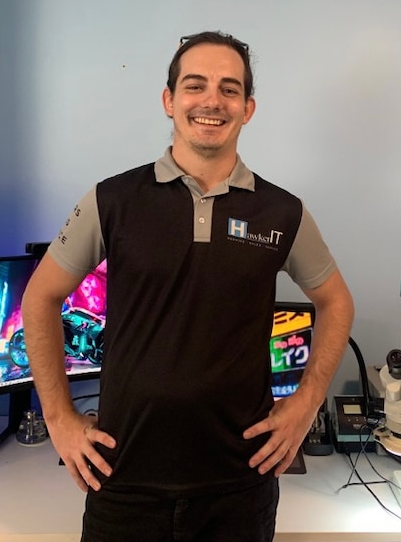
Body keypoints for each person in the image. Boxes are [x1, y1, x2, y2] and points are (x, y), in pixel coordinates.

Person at [21, 30, 355, 542]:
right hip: (123, 480)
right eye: (195, 85)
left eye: (229, 88)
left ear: (248, 108)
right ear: (169, 100)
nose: (211, 101)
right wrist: (60, 419)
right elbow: (39, 297)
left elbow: (336, 301)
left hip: (239, 487)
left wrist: (307, 401)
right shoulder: (111, 200)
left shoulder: (282, 212)